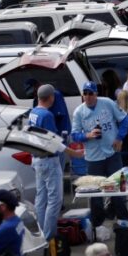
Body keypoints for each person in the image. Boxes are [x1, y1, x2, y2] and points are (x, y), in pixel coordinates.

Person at [71, 81, 128, 225]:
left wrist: (119, 138)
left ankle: (124, 222)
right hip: (93, 157)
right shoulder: (79, 112)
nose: (88, 96)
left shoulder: (107, 103)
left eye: (91, 93)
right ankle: (97, 226)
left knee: (117, 189)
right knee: (95, 193)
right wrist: (87, 135)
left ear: (96, 94)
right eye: (85, 93)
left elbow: (124, 119)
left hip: (112, 153)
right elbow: (74, 135)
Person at [29, 84, 82, 240]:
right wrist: (73, 153)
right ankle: (49, 237)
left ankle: (40, 234)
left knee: (41, 198)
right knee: (55, 200)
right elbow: (54, 142)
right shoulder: (47, 116)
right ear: (51, 97)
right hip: (49, 161)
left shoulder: (33, 112)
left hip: (37, 159)